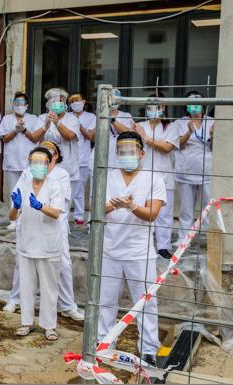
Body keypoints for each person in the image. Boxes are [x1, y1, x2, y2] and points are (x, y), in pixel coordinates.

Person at [98, 131, 166, 367]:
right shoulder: (106, 177)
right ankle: (104, 343)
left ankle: (148, 348)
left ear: (141, 153)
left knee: (145, 302)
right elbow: (95, 209)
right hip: (110, 248)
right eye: (122, 152)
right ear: (116, 154)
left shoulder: (153, 178)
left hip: (139, 251)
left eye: (131, 152)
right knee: (106, 301)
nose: (126, 156)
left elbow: (152, 214)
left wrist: (132, 206)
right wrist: (111, 205)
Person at [3, 141, 83, 321]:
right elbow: (17, 199)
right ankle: (14, 300)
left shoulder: (61, 175)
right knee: (21, 265)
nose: (44, 153)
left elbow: (59, 205)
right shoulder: (26, 173)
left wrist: (41, 206)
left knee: (63, 265)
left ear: (54, 157)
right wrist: (17, 209)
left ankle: (67, 305)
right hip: (28, 225)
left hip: (54, 227)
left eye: (50, 151)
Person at [9, 147, 64, 340]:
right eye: (34, 162)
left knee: (49, 288)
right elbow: (12, 215)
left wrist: (41, 206)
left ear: (49, 164)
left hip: (48, 245)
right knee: (26, 286)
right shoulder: (23, 185)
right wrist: (16, 206)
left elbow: (56, 212)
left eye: (42, 162)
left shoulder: (55, 185)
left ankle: (49, 326)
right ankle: (26, 322)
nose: (38, 166)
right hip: (26, 242)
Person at [134, 99, 179, 259]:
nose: (153, 110)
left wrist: (145, 139)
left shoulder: (171, 126)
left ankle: (163, 247)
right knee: (142, 210)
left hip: (164, 175)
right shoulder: (140, 125)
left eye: (157, 107)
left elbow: (167, 148)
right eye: (149, 107)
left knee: (164, 214)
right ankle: (144, 245)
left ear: (163, 108)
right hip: (142, 174)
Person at [174, 91, 213, 243]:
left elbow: (216, 146)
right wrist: (189, 132)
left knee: (208, 208)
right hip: (186, 171)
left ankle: (209, 238)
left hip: (206, 171)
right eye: (191, 103)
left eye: (197, 103)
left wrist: (214, 134)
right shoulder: (179, 123)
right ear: (186, 106)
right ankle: (183, 239)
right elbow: (179, 145)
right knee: (186, 209)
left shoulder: (212, 121)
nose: (195, 106)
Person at [34, 88, 80, 212]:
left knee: (63, 207)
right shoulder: (42, 118)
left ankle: (63, 231)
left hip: (68, 169)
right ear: (48, 104)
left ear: (65, 104)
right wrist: (46, 126)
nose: (57, 103)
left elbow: (70, 136)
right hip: (46, 169)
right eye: (53, 101)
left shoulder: (72, 119)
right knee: (46, 202)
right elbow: (34, 138)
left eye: (60, 101)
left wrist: (58, 123)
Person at [0, 91, 38, 230]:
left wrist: (24, 130)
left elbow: (35, 138)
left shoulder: (34, 119)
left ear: (27, 105)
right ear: (13, 104)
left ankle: (28, 219)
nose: (19, 106)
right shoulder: (6, 119)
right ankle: (14, 220)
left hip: (29, 162)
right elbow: (4, 139)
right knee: (14, 191)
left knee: (29, 190)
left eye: (22, 103)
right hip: (11, 162)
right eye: (17, 103)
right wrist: (15, 130)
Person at [68, 93, 96, 225]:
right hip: (69, 157)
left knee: (79, 187)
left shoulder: (91, 117)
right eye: (72, 101)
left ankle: (79, 216)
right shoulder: (67, 116)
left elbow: (90, 136)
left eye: (77, 100)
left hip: (84, 157)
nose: (74, 103)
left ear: (84, 101)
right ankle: (67, 212)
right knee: (68, 187)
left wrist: (77, 124)